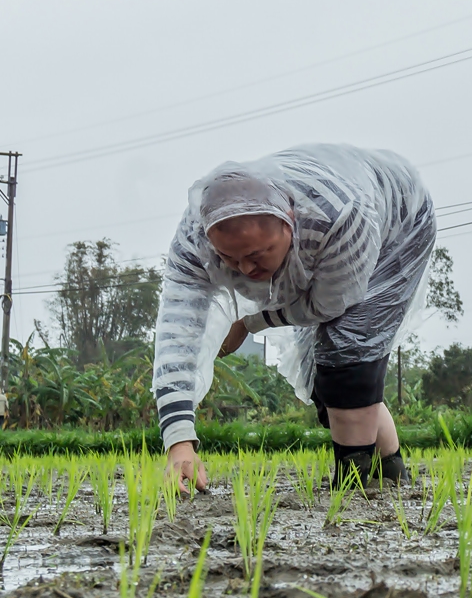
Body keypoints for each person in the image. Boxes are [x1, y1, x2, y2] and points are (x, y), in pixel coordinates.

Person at [153, 144, 435, 492]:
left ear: (290, 219)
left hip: (399, 222)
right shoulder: (195, 241)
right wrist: (179, 441)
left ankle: (354, 482)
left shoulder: (339, 215)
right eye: (230, 257)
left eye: (257, 254)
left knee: (346, 354)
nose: (244, 269)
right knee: (319, 379)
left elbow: (329, 305)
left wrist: (249, 321)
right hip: (341, 216)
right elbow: (176, 337)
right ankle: (390, 470)